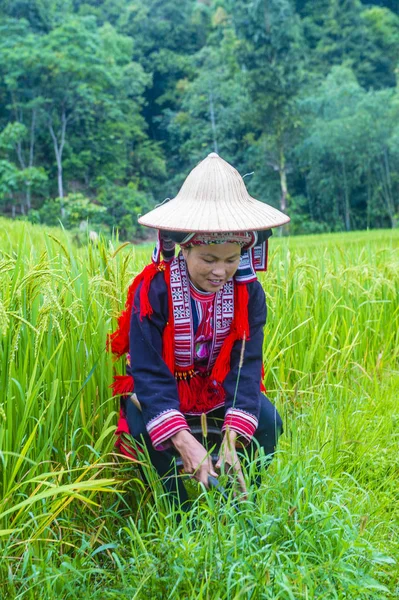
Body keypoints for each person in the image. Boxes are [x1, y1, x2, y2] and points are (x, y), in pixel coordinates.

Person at [108, 153, 290, 505]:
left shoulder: (248, 293)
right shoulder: (154, 290)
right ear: (184, 247)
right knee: (144, 426)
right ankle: (177, 513)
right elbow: (146, 370)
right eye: (209, 259)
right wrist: (181, 436)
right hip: (164, 392)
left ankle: (239, 500)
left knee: (267, 421)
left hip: (218, 391)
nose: (221, 271)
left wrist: (232, 436)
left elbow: (246, 364)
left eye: (231, 259)